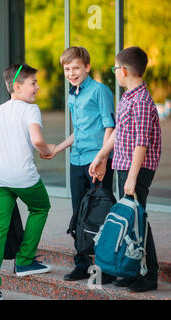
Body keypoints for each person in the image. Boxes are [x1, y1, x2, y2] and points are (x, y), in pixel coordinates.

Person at [41, 46, 116, 284]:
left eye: (75, 68)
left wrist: (102, 160)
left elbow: (109, 127)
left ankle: (105, 266)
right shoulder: (72, 94)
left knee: (100, 215)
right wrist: (57, 149)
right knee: (80, 216)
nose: (71, 73)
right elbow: (78, 131)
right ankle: (82, 264)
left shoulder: (100, 91)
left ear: (87, 67)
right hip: (77, 161)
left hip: (97, 161)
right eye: (67, 69)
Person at [89, 46, 161, 293]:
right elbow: (119, 131)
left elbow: (141, 143)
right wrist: (101, 156)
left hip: (136, 170)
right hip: (124, 167)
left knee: (139, 220)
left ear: (125, 70)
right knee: (133, 222)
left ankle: (150, 274)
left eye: (115, 68)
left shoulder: (141, 101)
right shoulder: (128, 97)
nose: (114, 73)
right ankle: (132, 271)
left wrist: (131, 178)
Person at [0, 64, 54, 300]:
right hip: (22, 175)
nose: (37, 87)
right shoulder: (30, 109)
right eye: (33, 83)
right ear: (17, 86)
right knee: (40, 207)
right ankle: (24, 261)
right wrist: (48, 149)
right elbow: (37, 140)